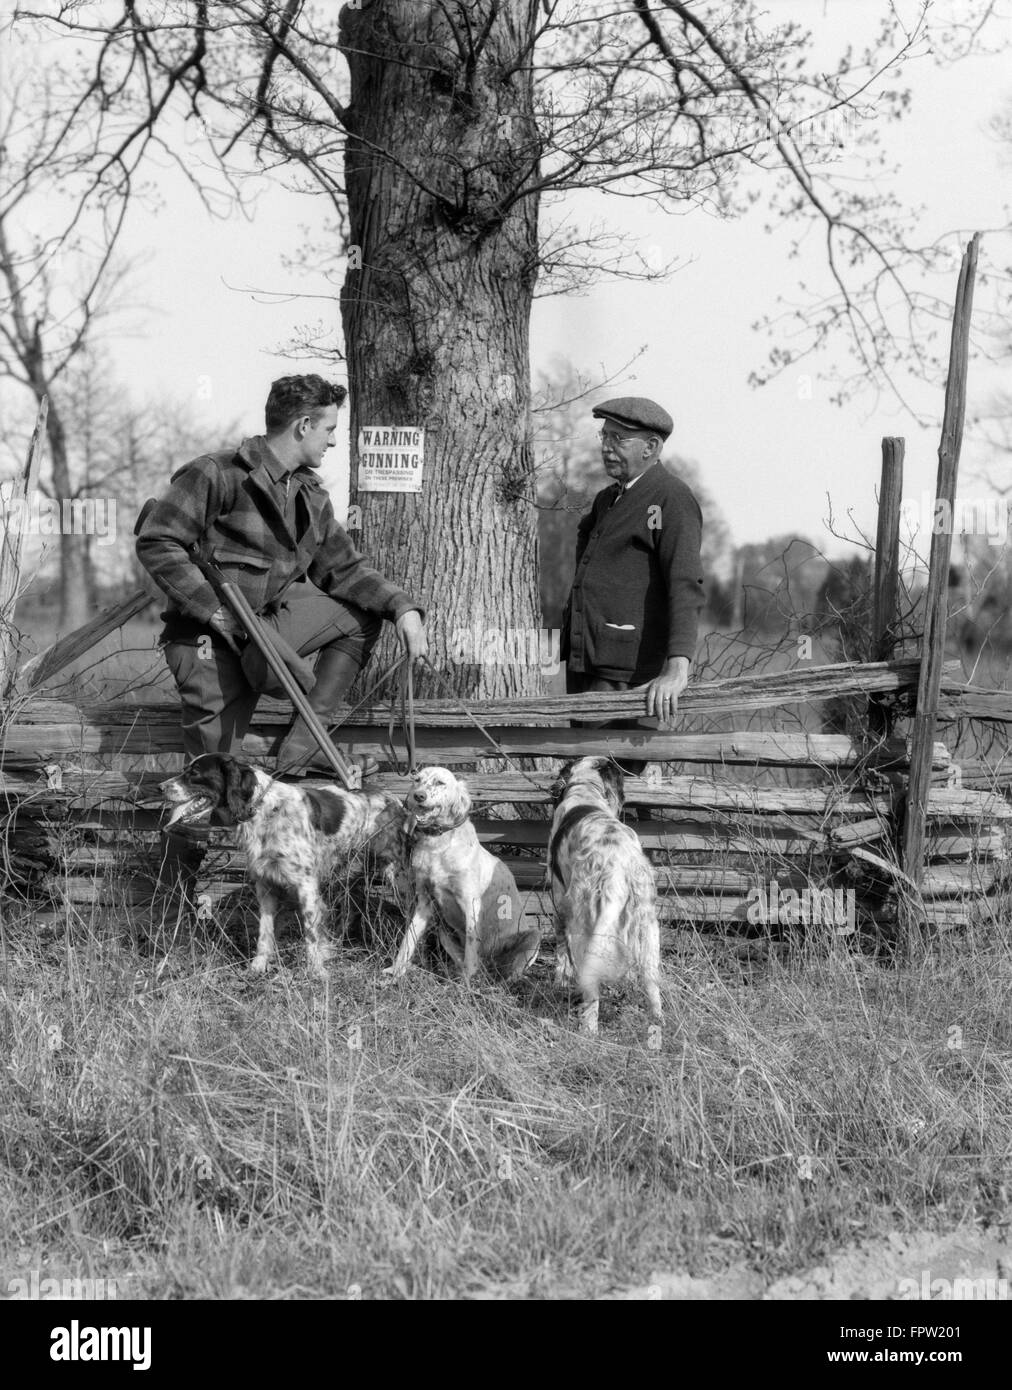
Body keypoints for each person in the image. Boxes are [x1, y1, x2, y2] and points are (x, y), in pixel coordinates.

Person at [134, 373, 425, 933]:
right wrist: (214, 611)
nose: (333, 442)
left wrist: (403, 608)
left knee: (362, 614)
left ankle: (295, 757)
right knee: (205, 785)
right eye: (329, 429)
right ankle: (167, 919)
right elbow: (158, 541)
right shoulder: (215, 473)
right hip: (207, 641)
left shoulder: (309, 494)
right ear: (302, 425)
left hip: (263, 632)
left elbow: (344, 570)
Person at [561, 396, 704, 770]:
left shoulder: (671, 499)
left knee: (619, 784)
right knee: (587, 779)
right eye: (604, 436)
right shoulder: (607, 500)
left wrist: (677, 665)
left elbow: (685, 582)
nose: (606, 447)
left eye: (618, 439)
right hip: (587, 665)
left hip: (628, 674)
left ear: (651, 447)